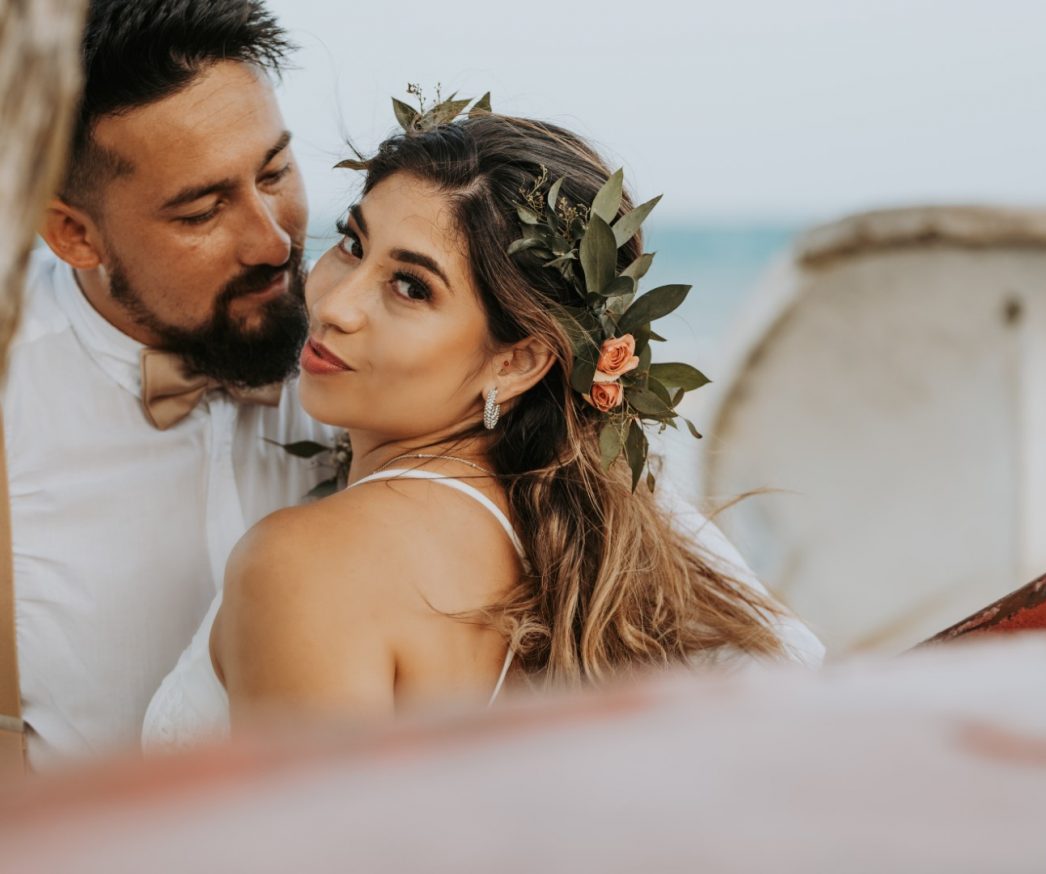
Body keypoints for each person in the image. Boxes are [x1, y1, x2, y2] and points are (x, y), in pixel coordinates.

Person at [142, 103, 824, 751]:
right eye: (353, 244)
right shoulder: (581, 539)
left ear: (518, 360)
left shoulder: (308, 564)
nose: (334, 304)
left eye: (411, 287)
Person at [5, 0, 331, 769]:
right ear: (75, 235)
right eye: (202, 211)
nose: (273, 240)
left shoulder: (375, 351)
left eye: (275, 171)